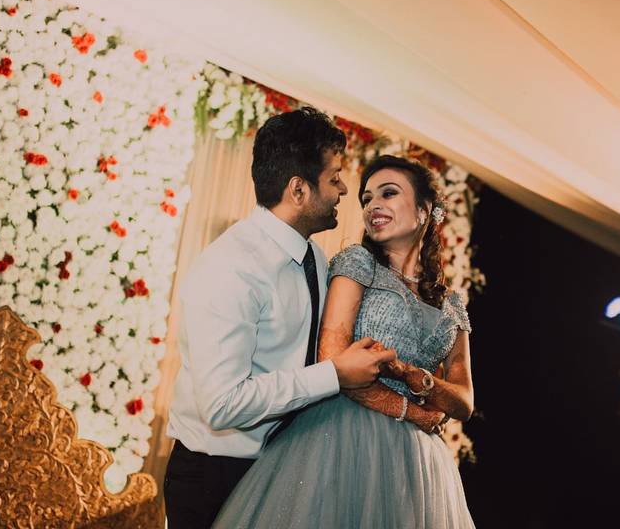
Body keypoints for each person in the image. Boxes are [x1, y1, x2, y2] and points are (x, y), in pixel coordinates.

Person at [163, 107, 398, 529]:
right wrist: (334, 375)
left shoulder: (315, 257)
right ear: (298, 190)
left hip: (282, 470)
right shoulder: (232, 267)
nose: (344, 189)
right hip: (215, 477)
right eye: (334, 178)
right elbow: (222, 405)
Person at [213, 154, 476, 529]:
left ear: (425, 210)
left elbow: (465, 402)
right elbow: (332, 360)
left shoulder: (450, 303)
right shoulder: (358, 264)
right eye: (367, 199)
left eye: (388, 194)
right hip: (339, 438)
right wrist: (414, 411)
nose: (373, 206)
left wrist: (418, 378)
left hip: (417, 464)